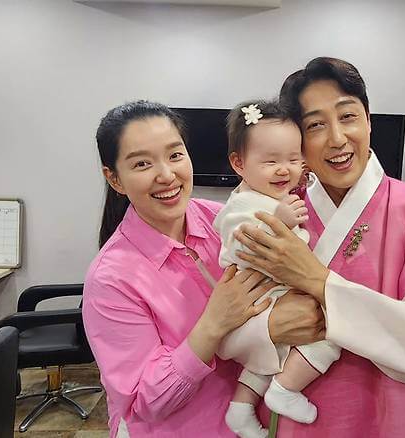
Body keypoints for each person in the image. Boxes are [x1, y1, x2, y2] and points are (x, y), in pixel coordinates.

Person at [230, 57, 405, 437]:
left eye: (348, 116)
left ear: (368, 120)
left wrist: (318, 281)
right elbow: (230, 323)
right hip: (295, 426)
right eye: (316, 125)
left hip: (392, 422)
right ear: (298, 139)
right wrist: (269, 327)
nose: (337, 138)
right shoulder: (277, 213)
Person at [82, 100, 325, 438]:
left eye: (175, 155)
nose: (167, 175)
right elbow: (142, 402)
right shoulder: (111, 279)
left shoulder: (219, 218)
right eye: (142, 163)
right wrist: (214, 325)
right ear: (115, 179)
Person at [215, 100, 341, 437]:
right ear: (239, 163)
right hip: (262, 296)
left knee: (270, 357)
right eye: (270, 161)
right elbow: (242, 246)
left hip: (273, 293)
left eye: (294, 159)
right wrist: (279, 223)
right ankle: (285, 389)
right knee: (333, 335)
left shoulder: (269, 198)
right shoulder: (243, 205)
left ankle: (241, 407)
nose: (284, 170)